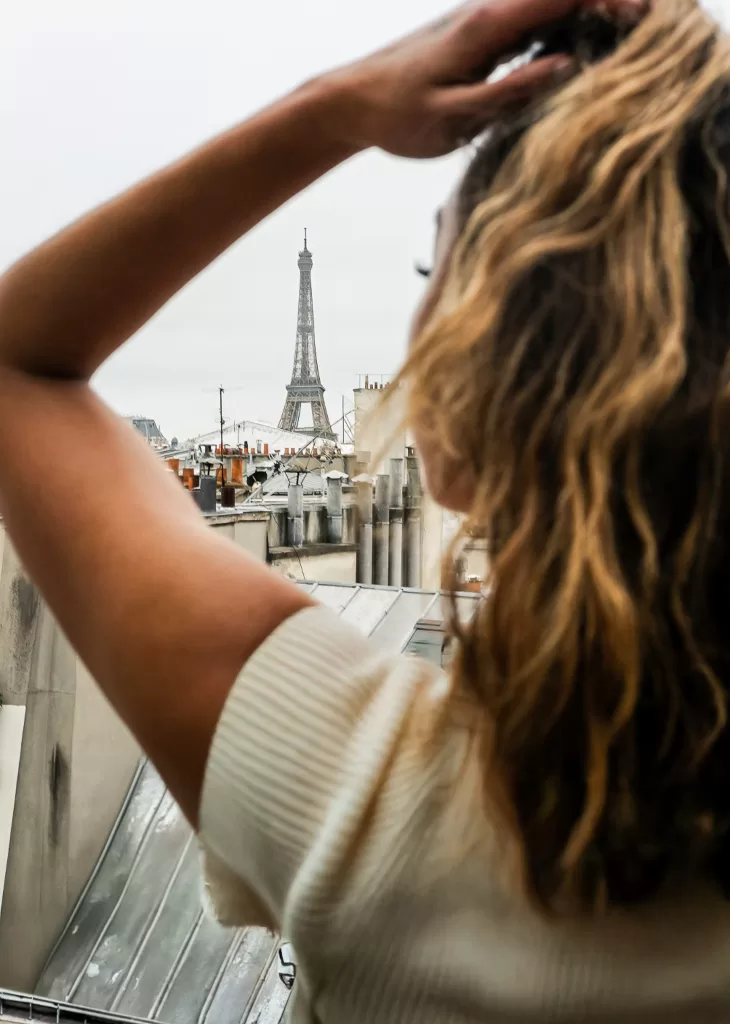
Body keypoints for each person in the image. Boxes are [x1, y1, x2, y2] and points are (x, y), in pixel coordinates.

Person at [5, 0, 730, 1018]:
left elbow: (17, 364)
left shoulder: (367, 809)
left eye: (437, 272)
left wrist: (336, 107)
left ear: (483, 379)